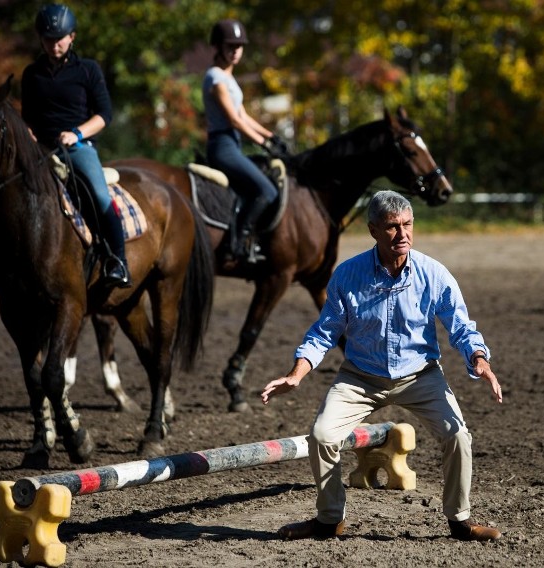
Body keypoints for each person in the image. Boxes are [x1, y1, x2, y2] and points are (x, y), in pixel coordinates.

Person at [261, 190, 504, 542]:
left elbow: (461, 326)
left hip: (420, 375)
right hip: (360, 378)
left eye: (407, 224)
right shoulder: (347, 275)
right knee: (321, 435)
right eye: (392, 227)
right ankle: (330, 519)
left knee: (457, 436)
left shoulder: (434, 274)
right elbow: (323, 332)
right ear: (374, 230)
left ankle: (460, 520)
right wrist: (296, 374)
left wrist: (479, 360)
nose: (402, 233)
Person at [21, 3, 131, 288]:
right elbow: (28, 118)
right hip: (40, 150)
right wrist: (29, 135)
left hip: (77, 148)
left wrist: (76, 134)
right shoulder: (31, 74)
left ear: (72, 38)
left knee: (98, 193)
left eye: (59, 38)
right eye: (48, 38)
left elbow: (104, 115)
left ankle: (118, 260)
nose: (54, 44)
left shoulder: (89, 70)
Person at [203, 19, 285, 264]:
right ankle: (237, 242)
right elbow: (234, 121)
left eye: (239, 45)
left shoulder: (229, 78)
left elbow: (244, 116)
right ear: (218, 46)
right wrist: (263, 143)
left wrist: (271, 136)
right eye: (230, 45)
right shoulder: (215, 77)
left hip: (233, 145)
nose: (236, 50)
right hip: (222, 146)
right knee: (267, 191)